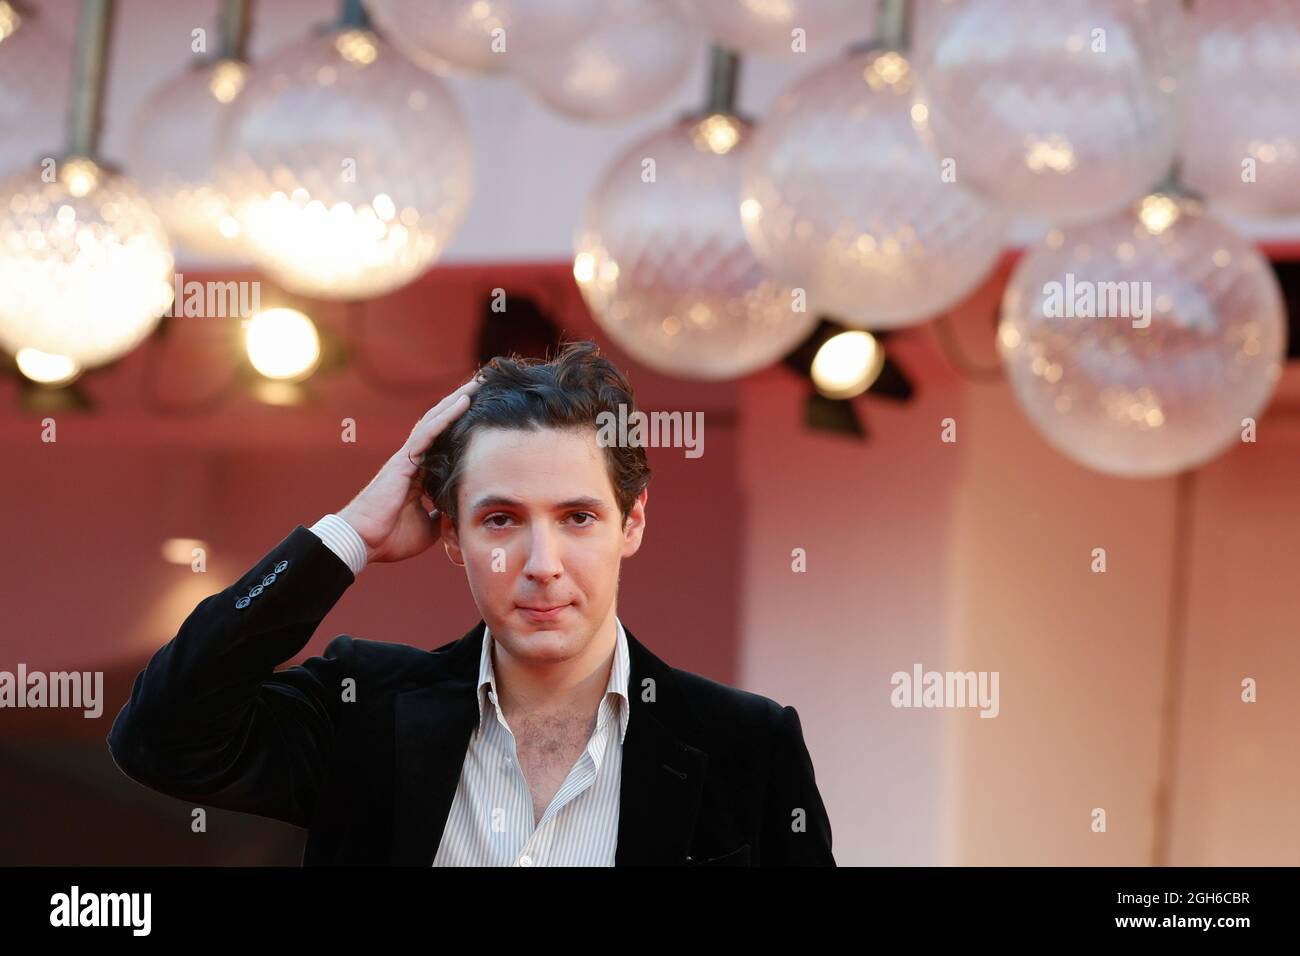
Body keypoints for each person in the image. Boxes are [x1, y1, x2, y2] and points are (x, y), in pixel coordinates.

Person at [107, 340, 834, 866]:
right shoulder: (365, 711)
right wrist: (347, 536)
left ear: (632, 522)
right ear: (450, 533)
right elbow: (161, 739)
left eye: (577, 517)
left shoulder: (748, 747)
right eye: (501, 520)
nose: (542, 567)